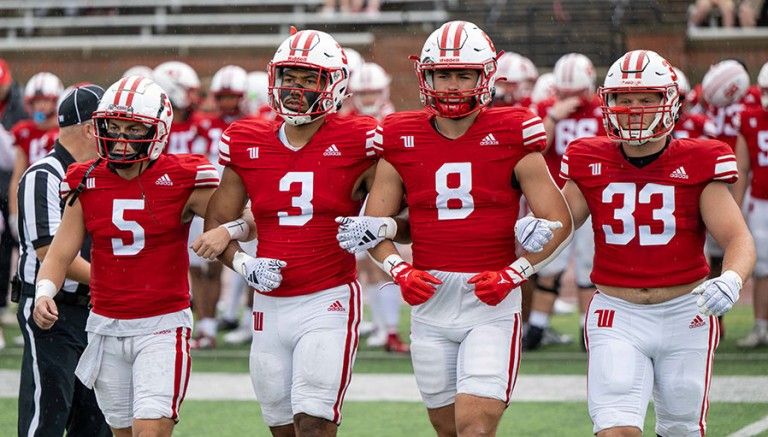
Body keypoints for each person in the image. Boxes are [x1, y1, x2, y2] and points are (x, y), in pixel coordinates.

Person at [338, 20, 572, 436]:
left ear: (485, 77)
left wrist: (514, 273)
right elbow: (376, 227)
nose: (452, 85)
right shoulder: (398, 134)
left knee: (475, 427)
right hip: (429, 298)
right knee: (447, 429)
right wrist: (399, 271)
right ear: (425, 76)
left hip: (491, 298)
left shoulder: (513, 130)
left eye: (464, 73)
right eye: (442, 74)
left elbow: (559, 221)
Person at [545, 49, 754, 436]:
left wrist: (732, 278)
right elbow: (559, 222)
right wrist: (531, 229)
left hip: (685, 311)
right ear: (608, 103)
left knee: (680, 429)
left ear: (669, 102)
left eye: (646, 98)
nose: (634, 109)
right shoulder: (588, 156)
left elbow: (738, 237)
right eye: (625, 99)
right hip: (616, 312)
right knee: (615, 428)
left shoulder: (700, 158)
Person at [202, 29, 380, 435]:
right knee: (282, 428)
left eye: (308, 78)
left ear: (334, 83)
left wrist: (380, 226)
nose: (296, 89)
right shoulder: (246, 140)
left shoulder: (362, 138)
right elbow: (218, 224)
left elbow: (402, 210)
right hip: (269, 304)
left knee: (314, 424)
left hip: (328, 297)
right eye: (289, 77)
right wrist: (245, 264)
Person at [31, 75, 225, 437]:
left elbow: (243, 212)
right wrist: (44, 291)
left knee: (148, 432)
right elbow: (59, 253)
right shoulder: (84, 179)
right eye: (112, 127)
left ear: (157, 130)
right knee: (121, 433)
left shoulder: (183, 176)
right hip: (105, 324)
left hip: (162, 325)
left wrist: (227, 230)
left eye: (132, 130)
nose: (119, 140)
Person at [16, 84, 111, 437]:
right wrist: (118, 280)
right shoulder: (44, 175)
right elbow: (51, 255)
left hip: (95, 311)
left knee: (97, 423)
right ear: (90, 128)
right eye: (109, 124)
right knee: (47, 419)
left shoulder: (104, 174)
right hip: (53, 311)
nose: (116, 134)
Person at [525, 52, 604, 350]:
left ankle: (588, 327)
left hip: (590, 199)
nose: (572, 98)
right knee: (548, 264)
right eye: (565, 92)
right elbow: (536, 146)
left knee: (588, 265)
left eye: (577, 92)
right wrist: (555, 115)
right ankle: (537, 328)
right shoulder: (546, 108)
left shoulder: (601, 111)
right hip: (554, 199)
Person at [733, 60, 768, 347]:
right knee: (763, 268)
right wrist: (736, 206)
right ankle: (760, 325)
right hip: (761, 202)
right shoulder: (751, 118)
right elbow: (742, 168)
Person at [0, 58, 29, 350]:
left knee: (24, 252)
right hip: (9, 184)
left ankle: (20, 308)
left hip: (13, 187)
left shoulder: (21, 111)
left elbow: (17, 166)